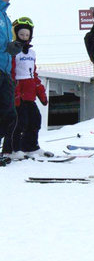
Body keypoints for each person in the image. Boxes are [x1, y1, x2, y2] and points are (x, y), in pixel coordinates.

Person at [1, 17, 51, 158]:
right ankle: (12, 150)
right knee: (19, 122)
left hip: (29, 93)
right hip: (18, 93)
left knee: (35, 118)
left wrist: (40, 91)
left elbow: (33, 73)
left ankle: (30, 147)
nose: (24, 38)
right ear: (16, 34)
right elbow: (11, 72)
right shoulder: (13, 53)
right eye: (21, 35)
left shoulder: (32, 53)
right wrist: (14, 92)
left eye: (27, 35)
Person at [0, 0, 22, 164]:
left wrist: (12, 47)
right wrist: (5, 46)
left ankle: (4, 149)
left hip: (4, 70)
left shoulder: (5, 17)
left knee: (8, 113)